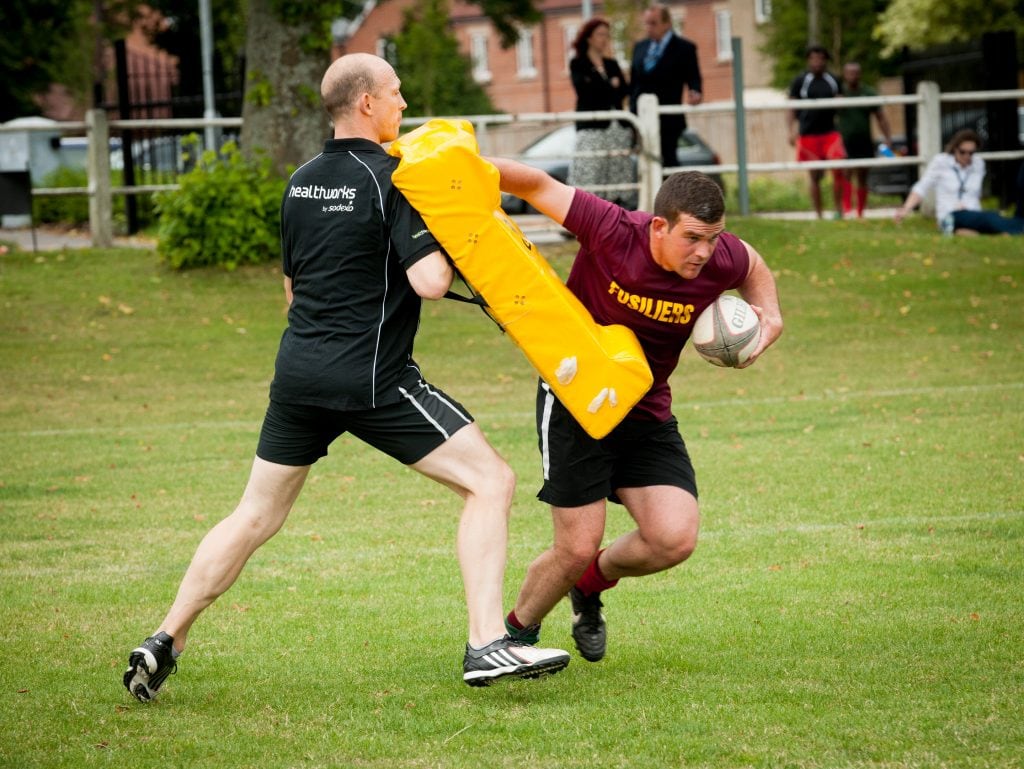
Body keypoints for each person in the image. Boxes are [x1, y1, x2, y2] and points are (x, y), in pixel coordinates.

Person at [121, 53, 570, 702]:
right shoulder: (398, 178)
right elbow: (431, 282)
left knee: (253, 514)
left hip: (298, 374)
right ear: (365, 104)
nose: (404, 104)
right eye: (395, 93)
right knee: (491, 480)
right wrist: (456, 232)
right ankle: (484, 643)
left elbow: (292, 288)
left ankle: (165, 637)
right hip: (373, 380)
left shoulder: (299, 182)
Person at [484, 156, 784, 663]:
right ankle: (513, 637)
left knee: (673, 538)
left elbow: (752, 264)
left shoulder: (720, 256)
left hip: (644, 413)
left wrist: (770, 314)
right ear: (659, 226)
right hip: (578, 404)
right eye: (692, 238)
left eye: (713, 238)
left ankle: (589, 585)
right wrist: (454, 163)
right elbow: (535, 183)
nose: (704, 252)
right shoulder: (611, 229)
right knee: (575, 545)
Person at [894, 129, 1024, 236]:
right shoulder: (941, 162)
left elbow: (975, 194)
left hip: (973, 214)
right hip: (950, 214)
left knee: (991, 218)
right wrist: (906, 208)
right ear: (954, 149)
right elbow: (922, 187)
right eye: (962, 152)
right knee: (991, 218)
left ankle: (969, 232)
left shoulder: (978, 164)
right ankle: (1013, 230)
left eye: (971, 153)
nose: (967, 156)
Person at [569, 17, 635, 208]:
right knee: (591, 169)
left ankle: (616, 209)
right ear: (589, 37)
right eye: (600, 34)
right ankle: (586, 211)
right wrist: (609, 85)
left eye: (607, 35)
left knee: (617, 170)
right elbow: (584, 90)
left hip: (616, 126)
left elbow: (623, 90)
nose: (604, 39)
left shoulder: (612, 64)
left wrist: (604, 86)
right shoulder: (578, 63)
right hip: (592, 127)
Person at [629, 4, 703, 170]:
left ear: (667, 23)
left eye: (653, 23)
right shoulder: (640, 47)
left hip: (668, 118)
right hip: (641, 118)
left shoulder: (685, 48)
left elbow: (694, 78)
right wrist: (631, 116)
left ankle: (671, 196)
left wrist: (695, 92)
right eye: (646, 23)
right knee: (645, 167)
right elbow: (633, 84)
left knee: (667, 164)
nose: (649, 28)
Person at [787, 45, 849, 219]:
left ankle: (839, 211)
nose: (817, 62)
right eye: (813, 58)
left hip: (830, 133)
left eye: (820, 58)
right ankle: (819, 214)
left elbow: (842, 106)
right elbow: (791, 108)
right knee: (815, 176)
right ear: (808, 60)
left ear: (825, 60)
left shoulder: (833, 80)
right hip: (808, 134)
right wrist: (791, 130)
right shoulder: (800, 81)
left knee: (839, 170)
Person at [838, 61, 894, 218]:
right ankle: (847, 209)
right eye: (849, 73)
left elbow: (880, 117)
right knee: (846, 172)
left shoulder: (868, 92)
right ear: (844, 74)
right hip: (845, 140)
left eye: (855, 73)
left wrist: (888, 138)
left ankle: (860, 211)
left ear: (860, 74)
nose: (852, 76)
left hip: (864, 140)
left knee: (862, 175)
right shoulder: (839, 92)